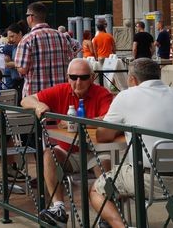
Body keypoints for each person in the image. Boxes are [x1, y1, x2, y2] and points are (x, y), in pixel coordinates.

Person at [89, 58, 173, 228]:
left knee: (97, 190)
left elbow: (102, 135)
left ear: (132, 79)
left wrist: (120, 127)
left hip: (149, 181)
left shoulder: (126, 95)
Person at [20, 58, 114, 225]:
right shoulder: (61, 90)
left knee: (105, 162)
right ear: (67, 77)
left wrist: (77, 123)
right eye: (73, 77)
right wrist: (38, 105)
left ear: (92, 77)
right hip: (68, 151)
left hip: (95, 151)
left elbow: (108, 119)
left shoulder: (102, 93)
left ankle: (106, 213)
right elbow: (25, 100)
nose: (78, 82)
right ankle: (58, 209)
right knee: (49, 154)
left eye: (83, 77)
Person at [14, 2, 74, 97]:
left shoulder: (27, 39)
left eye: (27, 15)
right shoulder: (62, 36)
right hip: (60, 94)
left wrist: (15, 65)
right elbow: (71, 62)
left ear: (31, 17)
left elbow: (22, 69)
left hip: (36, 96)